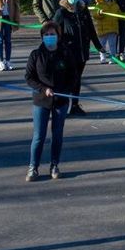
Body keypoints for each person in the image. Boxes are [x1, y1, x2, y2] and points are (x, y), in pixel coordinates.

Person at [24, 21, 75, 182]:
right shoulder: (36, 55)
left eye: (52, 34)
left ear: (58, 36)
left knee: (57, 134)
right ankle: (33, 167)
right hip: (41, 101)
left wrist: (65, 91)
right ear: (42, 37)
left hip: (61, 100)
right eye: (46, 35)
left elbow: (73, 76)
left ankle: (54, 165)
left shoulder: (66, 53)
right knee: (39, 135)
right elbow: (29, 77)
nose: (49, 37)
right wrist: (43, 89)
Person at [52, 0, 103, 116]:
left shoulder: (83, 10)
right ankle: (62, 104)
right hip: (68, 52)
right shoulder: (61, 13)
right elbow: (53, 31)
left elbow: (91, 29)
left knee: (77, 79)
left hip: (82, 52)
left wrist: (99, 46)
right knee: (68, 79)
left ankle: (75, 105)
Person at [91, 0, 121, 64]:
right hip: (102, 29)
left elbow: (119, 14)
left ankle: (113, 58)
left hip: (113, 28)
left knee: (112, 45)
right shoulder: (98, 4)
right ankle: (103, 58)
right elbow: (94, 15)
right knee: (102, 45)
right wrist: (99, 13)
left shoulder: (115, 5)